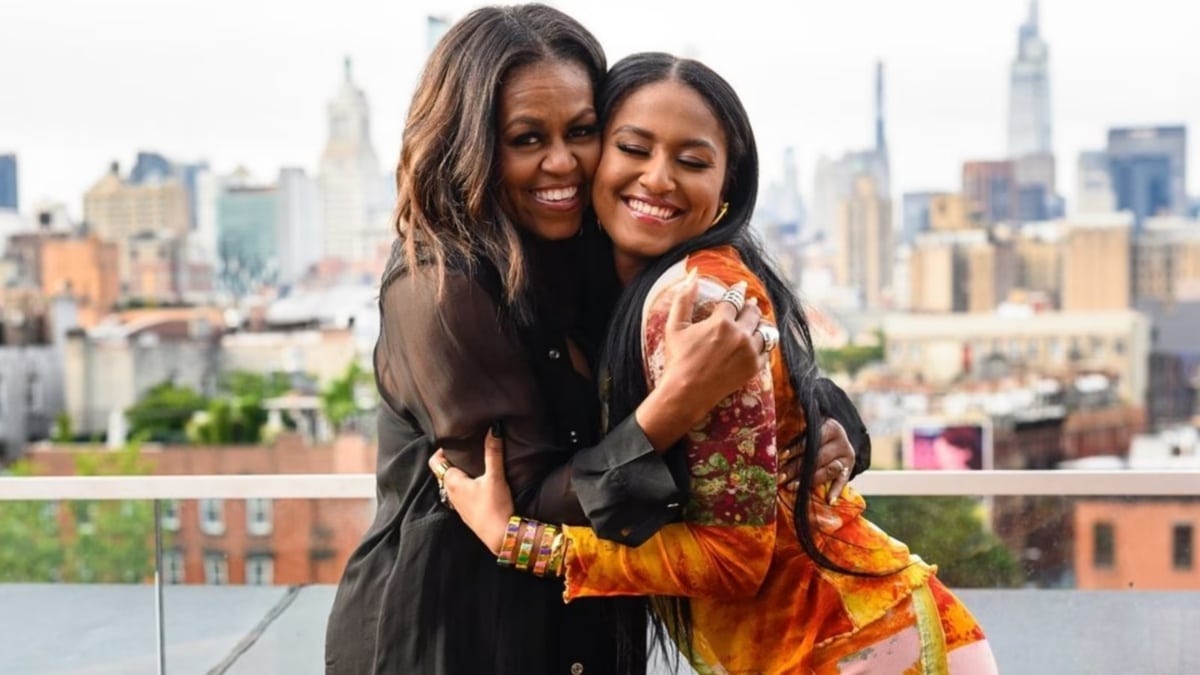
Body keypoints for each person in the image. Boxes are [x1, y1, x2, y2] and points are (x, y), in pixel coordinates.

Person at [323, 6, 860, 674]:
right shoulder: (440, 286)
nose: (563, 162)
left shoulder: (609, 249)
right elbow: (528, 505)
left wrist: (827, 427)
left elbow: (783, 378)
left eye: (582, 131)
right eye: (526, 138)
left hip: (590, 627)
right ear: (473, 146)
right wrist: (676, 406)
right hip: (458, 634)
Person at [436, 52, 1000, 674]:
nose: (657, 178)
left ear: (727, 186)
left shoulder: (701, 305)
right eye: (633, 147)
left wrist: (522, 543)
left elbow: (735, 558)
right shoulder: (624, 290)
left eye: (692, 161)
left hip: (868, 648)